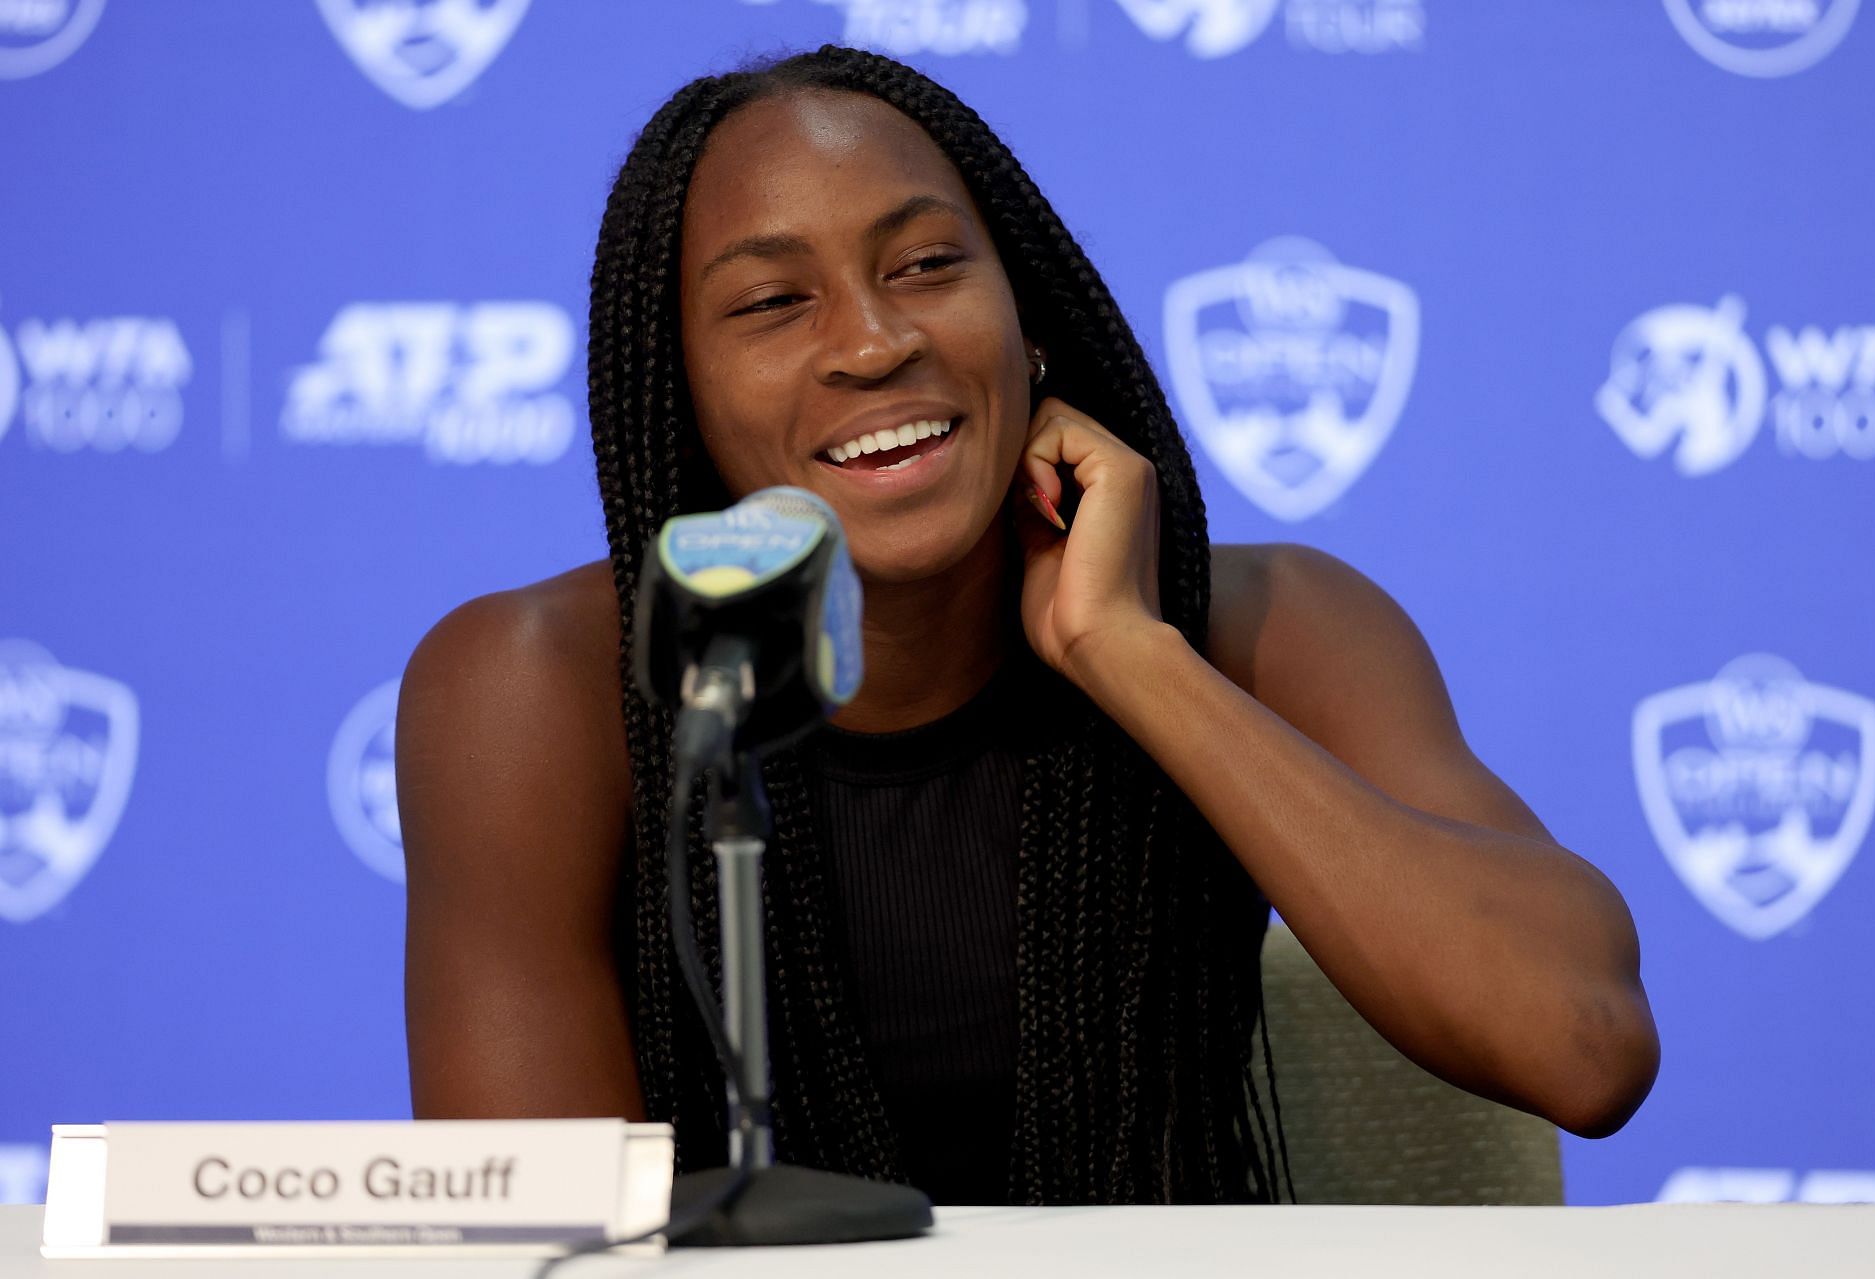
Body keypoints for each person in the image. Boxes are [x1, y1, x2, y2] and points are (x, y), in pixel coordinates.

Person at [394, 45, 1659, 1208]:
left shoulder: (1274, 625)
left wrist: (1133, 654)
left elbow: (1585, 1046)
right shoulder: (541, 689)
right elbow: (542, 1239)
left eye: (929, 265)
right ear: (682, 387)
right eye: (775, 302)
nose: (876, 341)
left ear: (1029, 321)